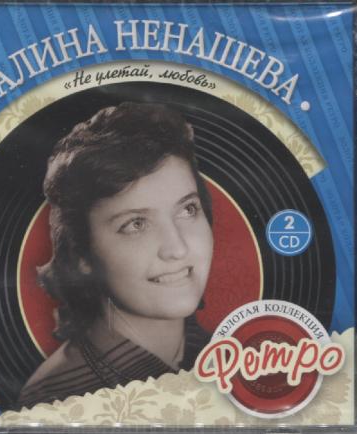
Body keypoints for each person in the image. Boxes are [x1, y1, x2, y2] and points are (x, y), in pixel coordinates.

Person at [17, 102, 214, 409]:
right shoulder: (56, 401)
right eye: (136, 224)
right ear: (81, 253)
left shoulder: (226, 357)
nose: (177, 248)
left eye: (188, 209)